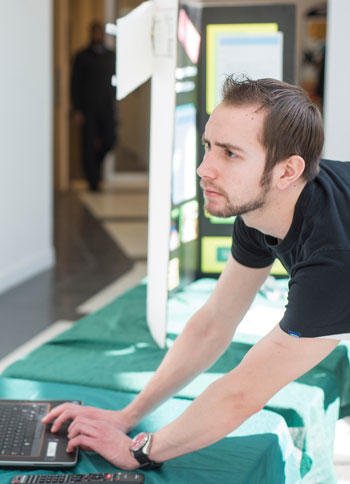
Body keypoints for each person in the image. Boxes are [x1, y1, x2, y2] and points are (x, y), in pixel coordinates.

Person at [43, 76, 348, 470]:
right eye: (208, 147)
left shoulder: (334, 258)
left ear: (288, 171)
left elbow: (242, 393)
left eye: (230, 154)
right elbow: (214, 323)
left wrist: (140, 451)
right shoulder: (262, 211)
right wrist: (127, 416)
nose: (205, 168)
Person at [71, 21, 117, 192]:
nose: (98, 35)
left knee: (110, 139)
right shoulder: (82, 56)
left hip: (106, 107)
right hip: (87, 107)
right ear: (91, 33)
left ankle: (94, 165)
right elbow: (75, 83)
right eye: (95, 32)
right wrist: (77, 109)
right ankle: (93, 181)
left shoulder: (111, 56)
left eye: (100, 32)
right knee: (87, 144)